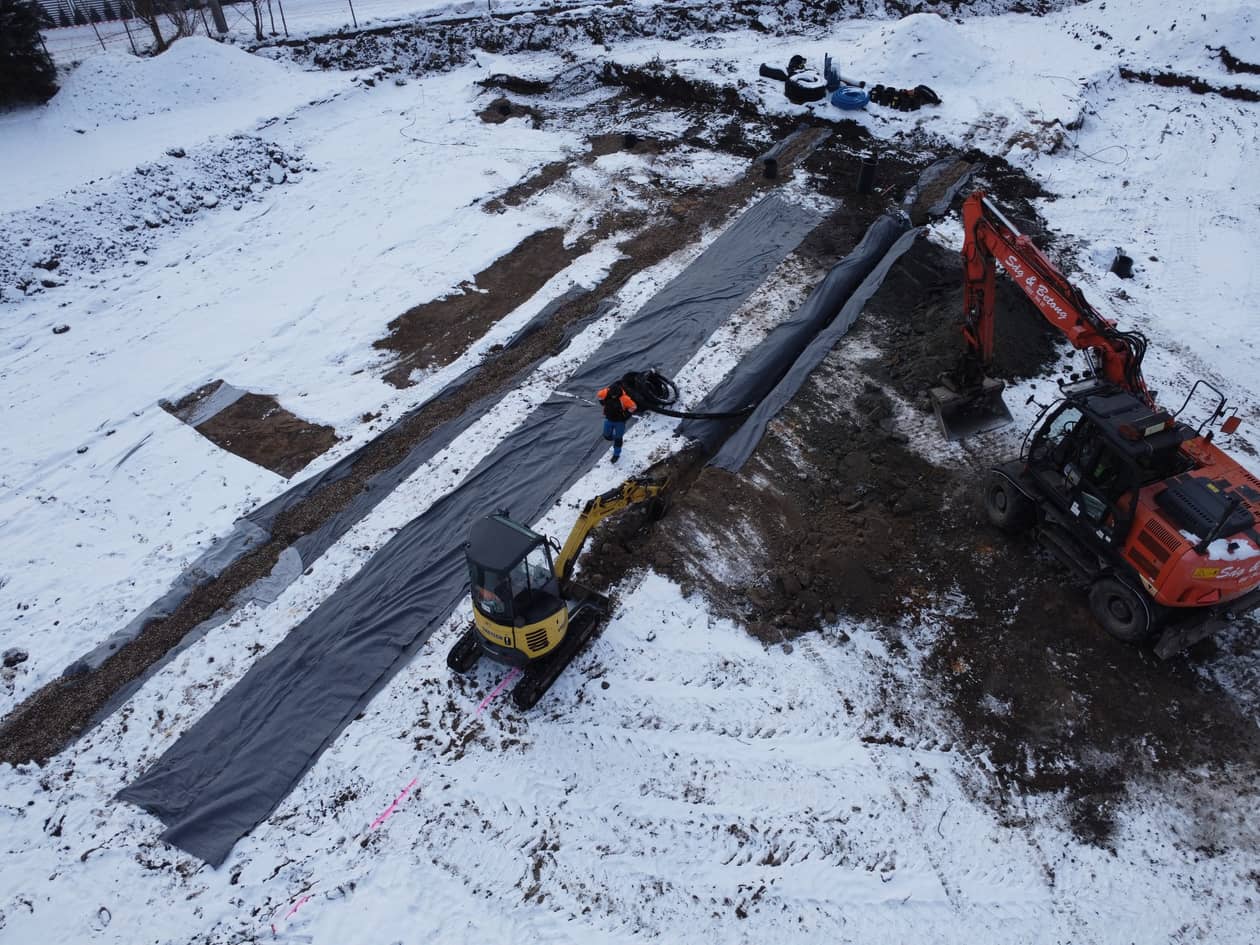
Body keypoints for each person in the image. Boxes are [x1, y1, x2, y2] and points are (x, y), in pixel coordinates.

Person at [597, 382, 638, 463]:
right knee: (607, 436)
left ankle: (616, 454)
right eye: (612, 395)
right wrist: (602, 402)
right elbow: (599, 395)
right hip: (609, 419)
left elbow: (633, 406)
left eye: (614, 395)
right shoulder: (605, 392)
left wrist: (626, 415)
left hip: (620, 422)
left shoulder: (624, 399)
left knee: (618, 440)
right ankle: (615, 439)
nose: (613, 397)